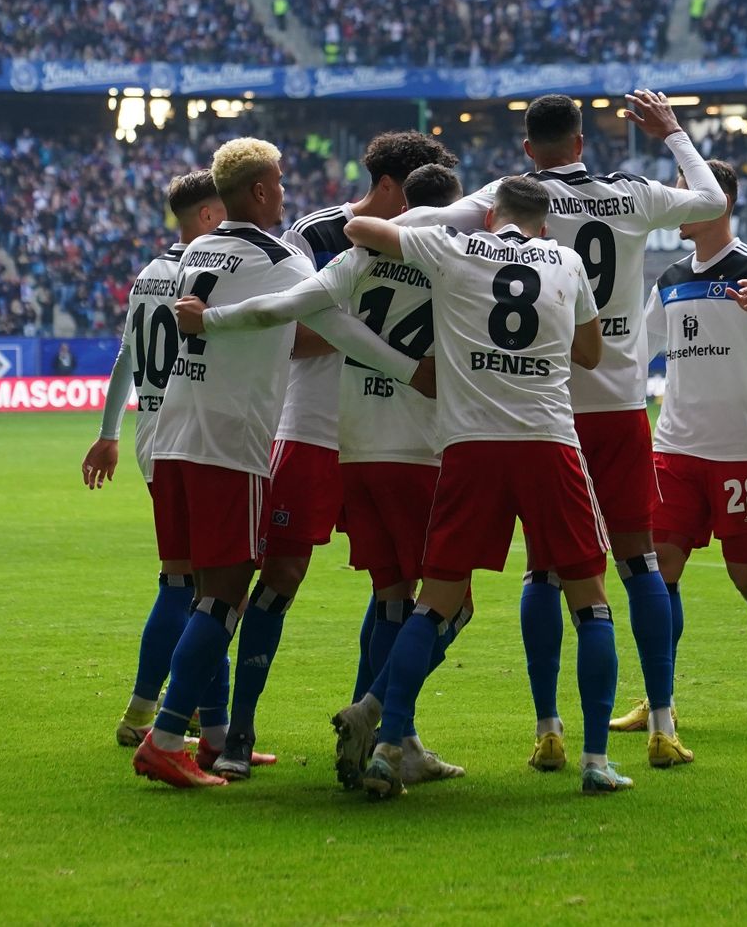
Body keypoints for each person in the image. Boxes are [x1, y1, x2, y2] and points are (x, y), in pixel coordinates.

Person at [398, 90, 723, 773]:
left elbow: (435, 217)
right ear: (581, 141)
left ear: (528, 149)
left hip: (539, 411)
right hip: (617, 407)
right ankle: (662, 722)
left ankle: (548, 727)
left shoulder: (510, 195)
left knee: (545, 570)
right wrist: (671, 133)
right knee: (639, 565)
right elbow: (712, 199)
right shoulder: (631, 194)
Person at [130, 139, 417, 789]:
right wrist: (404, 365)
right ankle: (166, 735)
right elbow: (327, 329)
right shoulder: (283, 255)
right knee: (227, 597)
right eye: (279, 182)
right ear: (259, 191)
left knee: (208, 593)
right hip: (229, 442)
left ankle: (216, 736)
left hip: (175, 432)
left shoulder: (198, 249)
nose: (286, 192)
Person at [333, 176, 629, 798]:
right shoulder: (567, 259)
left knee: (434, 599)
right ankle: (597, 761)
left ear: (491, 215)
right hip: (547, 443)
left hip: (470, 448)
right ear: (543, 225)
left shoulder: (453, 247)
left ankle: (388, 745)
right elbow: (592, 355)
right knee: (591, 602)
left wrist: (451, 222)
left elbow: (358, 229)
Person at [217, 131, 453, 780]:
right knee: (281, 577)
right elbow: (293, 336)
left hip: (389, 435)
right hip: (316, 430)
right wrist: (363, 330)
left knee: (394, 590)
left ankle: (372, 731)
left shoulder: (431, 241)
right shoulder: (316, 234)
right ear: (389, 188)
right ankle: (238, 730)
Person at [620, 160, 747, 762]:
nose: (678, 199)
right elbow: (639, 350)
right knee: (661, 571)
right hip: (673, 447)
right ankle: (659, 701)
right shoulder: (670, 278)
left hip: (739, 452)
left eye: (685, 189)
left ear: (718, 200)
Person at [83, 172, 263, 771]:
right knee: (191, 584)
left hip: (151, 430)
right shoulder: (214, 271)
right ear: (212, 215)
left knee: (201, 585)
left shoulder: (150, 274)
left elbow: (127, 357)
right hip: (193, 432)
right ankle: (143, 714)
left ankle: (211, 730)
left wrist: (109, 434)